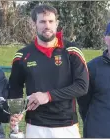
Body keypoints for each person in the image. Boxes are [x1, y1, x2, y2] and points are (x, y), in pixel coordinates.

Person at [8, 4, 89, 138]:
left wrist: (48, 96)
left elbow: (82, 86)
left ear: (56, 23)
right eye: (42, 21)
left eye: (51, 21)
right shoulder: (22, 55)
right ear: (34, 23)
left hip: (66, 125)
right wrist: (16, 110)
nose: (47, 26)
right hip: (35, 126)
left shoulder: (71, 51)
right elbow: (15, 87)